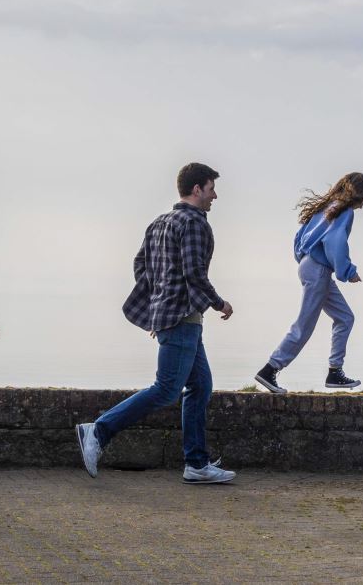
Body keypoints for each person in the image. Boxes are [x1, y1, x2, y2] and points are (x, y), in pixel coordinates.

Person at [76, 162, 236, 484]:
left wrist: (158, 302)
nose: (214, 196)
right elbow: (194, 274)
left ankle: (196, 464)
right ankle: (99, 431)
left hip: (173, 317)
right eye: (211, 189)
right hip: (181, 319)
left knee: (200, 386)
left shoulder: (160, 222)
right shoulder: (194, 223)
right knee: (166, 390)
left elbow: (140, 265)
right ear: (196, 190)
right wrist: (220, 303)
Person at [254, 172, 363, 395]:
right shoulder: (344, 211)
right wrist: (348, 271)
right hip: (318, 270)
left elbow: (299, 237)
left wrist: (305, 260)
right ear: (358, 197)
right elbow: (334, 241)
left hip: (311, 266)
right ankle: (270, 369)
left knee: (345, 317)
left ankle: (334, 372)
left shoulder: (327, 206)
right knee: (304, 326)